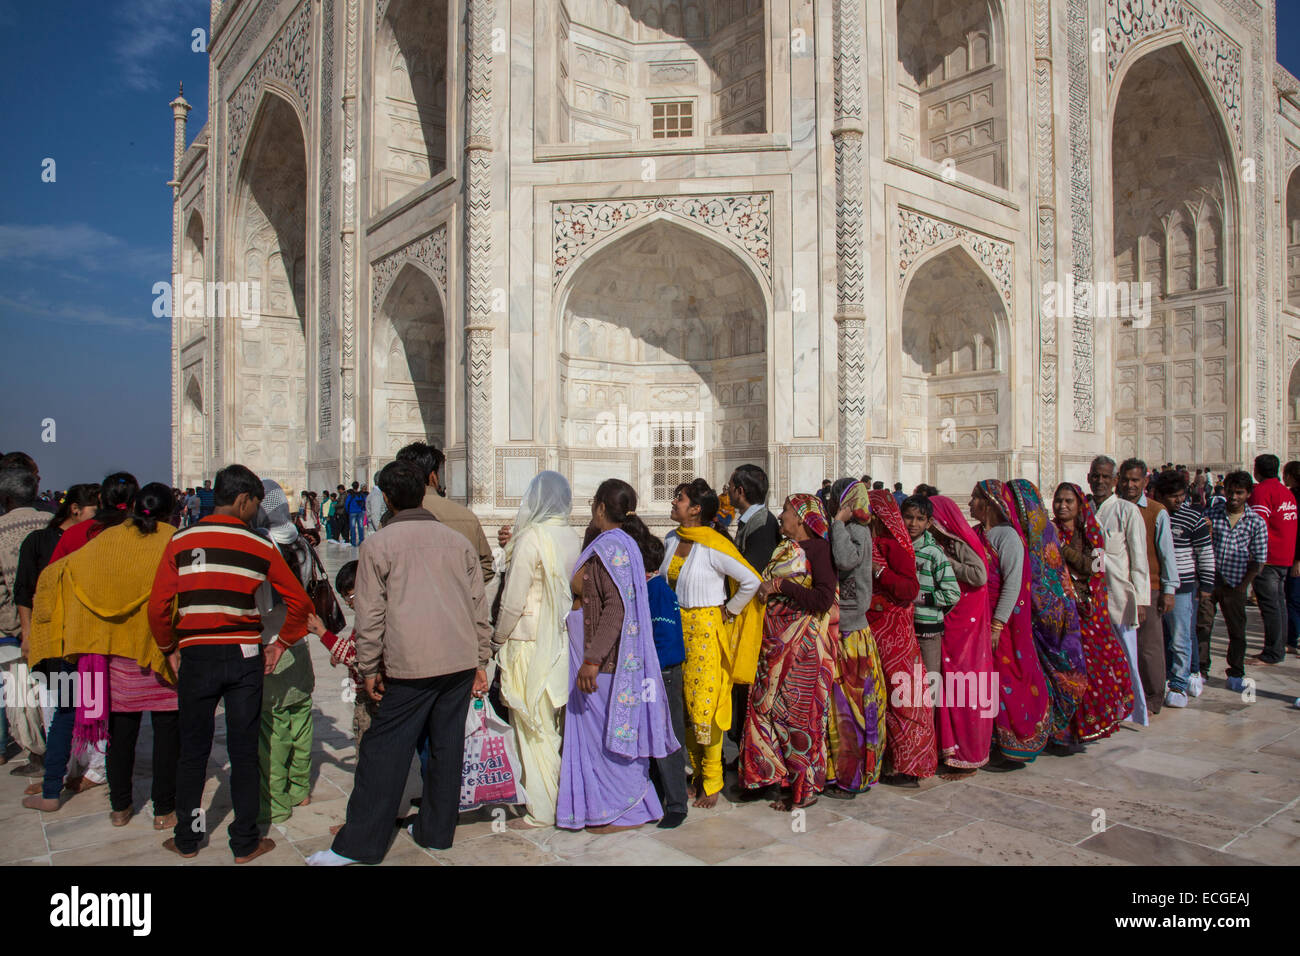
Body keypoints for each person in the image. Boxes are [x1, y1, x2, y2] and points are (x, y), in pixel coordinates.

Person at [310, 461, 490, 864]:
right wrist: (481, 658)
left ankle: (358, 847)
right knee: (446, 747)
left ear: (387, 499)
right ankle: (436, 833)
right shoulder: (455, 542)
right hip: (458, 661)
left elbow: (370, 616)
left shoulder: (379, 544)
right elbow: (478, 607)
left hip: (411, 664)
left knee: (383, 750)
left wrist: (369, 667)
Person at [149, 464, 313, 863]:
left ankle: (188, 839)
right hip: (245, 655)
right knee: (243, 752)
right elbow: (300, 603)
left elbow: (157, 606)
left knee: (193, 751)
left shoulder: (181, 540)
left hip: (198, 656)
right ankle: (245, 842)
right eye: (256, 503)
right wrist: (280, 645)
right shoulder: (259, 546)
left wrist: (169, 647)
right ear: (243, 500)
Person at [26, 483, 181, 827]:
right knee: (167, 735)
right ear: (170, 512)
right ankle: (163, 811)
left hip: (116, 653)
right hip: (161, 651)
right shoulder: (174, 539)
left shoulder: (105, 541)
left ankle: (120, 808)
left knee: (122, 735)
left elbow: (56, 574)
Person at [558, 479, 678, 831]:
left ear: (599, 508)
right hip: (602, 659)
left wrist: (592, 659)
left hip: (605, 663)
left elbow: (615, 609)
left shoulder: (613, 548)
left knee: (608, 738)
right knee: (602, 737)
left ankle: (624, 811)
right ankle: (610, 808)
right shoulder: (619, 544)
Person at [659, 478, 762, 807]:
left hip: (705, 631)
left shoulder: (713, 544)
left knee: (707, 706)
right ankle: (692, 773)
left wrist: (730, 612)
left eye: (680, 498)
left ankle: (713, 778)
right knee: (682, 705)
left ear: (696, 509)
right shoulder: (671, 540)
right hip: (677, 629)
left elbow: (750, 580)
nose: (674, 502)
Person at [491, 471, 581, 828]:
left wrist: (497, 638)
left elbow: (513, 600)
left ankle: (543, 806)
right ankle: (560, 798)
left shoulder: (532, 537)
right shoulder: (571, 535)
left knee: (531, 724)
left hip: (528, 642)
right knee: (551, 723)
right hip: (561, 640)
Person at [741, 494, 837, 810]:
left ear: (801, 519)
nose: (780, 516)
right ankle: (775, 779)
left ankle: (805, 789)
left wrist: (782, 587)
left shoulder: (819, 550)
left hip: (803, 650)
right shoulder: (785, 548)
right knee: (767, 710)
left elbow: (823, 599)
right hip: (775, 648)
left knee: (796, 718)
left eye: (786, 511)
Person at [970, 480, 1050, 764]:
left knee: (1006, 676)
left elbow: (1012, 583)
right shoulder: (977, 533)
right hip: (978, 617)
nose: (970, 505)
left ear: (989, 503)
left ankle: (1013, 738)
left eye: (974, 500)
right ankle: (986, 738)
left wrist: (997, 624)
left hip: (1000, 623)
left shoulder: (1008, 538)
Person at [252, 479, 317, 825]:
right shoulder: (301, 541)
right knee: (302, 719)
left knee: (273, 728)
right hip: (300, 642)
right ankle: (300, 789)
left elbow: (260, 604)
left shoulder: (261, 546)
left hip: (270, 645)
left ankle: (276, 803)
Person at [1051, 483, 1134, 745]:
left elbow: (1095, 569)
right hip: (1060, 613)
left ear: (1079, 505)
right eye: (1058, 501)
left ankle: (1090, 722)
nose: (1062, 506)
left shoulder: (1092, 533)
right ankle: (1065, 728)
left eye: (1068, 501)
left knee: (1092, 668)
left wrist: (1063, 550)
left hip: (1088, 613)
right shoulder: (1049, 530)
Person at [867, 488, 937, 784]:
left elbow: (909, 590)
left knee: (903, 696)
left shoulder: (892, 545)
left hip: (894, 630)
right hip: (876, 628)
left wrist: (880, 573)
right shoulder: (870, 541)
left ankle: (909, 764)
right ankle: (888, 761)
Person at [823, 478, 887, 796]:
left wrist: (837, 522)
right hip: (846, 629)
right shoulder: (854, 531)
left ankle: (855, 774)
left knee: (852, 708)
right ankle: (843, 771)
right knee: (845, 707)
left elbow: (845, 560)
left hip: (851, 634)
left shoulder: (856, 531)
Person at [928, 495, 995, 777]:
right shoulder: (938, 543)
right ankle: (951, 751)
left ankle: (969, 757)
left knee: (966, 690)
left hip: (964, 627)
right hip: (950, 621)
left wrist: (945, 564)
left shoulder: (957, 543)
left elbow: (979, 576)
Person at [1088, 455, 1152, 724]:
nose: (1100, 481)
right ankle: (1103, 708)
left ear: (1115, 481)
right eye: (1096, 476)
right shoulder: (1085, 508)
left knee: (1126, 657)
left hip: (1119, 597)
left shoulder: (1127, 511)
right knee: (1098, 658)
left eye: (1105, 477)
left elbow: (1139, 559)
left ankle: (1134, 712)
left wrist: (1141, 599)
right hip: (1091, 596)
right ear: (1089, 478)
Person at [0, 464, 55, 773]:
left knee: (22, 694)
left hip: (16, 631)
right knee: (52, 690)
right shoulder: (51, 523)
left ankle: (39, 753)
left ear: (6, 498)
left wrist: (15, 626)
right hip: (55, 625)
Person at [726, 464, 780, 753]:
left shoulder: (763, 523)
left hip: (754, 619)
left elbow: (751, 573)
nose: (727, 492)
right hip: (748, 616)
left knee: (748, 690)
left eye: (730, 487)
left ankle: (754, 758)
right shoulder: (752, 520)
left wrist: (730, 609)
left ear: (741, 491)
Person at [1118, 458, 1176, 719]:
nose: (1130, 485)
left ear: (1145, 482)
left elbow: (1166, 554)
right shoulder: (1113, 508)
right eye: (1126, 479)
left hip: (1149, 587)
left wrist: (1168, 590)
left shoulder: (1155, 511)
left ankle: (1154, 697)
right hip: (1118, 588)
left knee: (1149, 646)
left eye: (1135, 480)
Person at [1151, 471, 1215, 706]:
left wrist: (1206, 585)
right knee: (1161, 637)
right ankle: (1168, 677)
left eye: (1181, 495)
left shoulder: (1193, 518)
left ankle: (1179, 682)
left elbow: (1205, 554)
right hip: (1157, 585)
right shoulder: (1154, 514)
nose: (1178, 501)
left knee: (1181, 636)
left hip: (1184, 587)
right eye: (1173, 496)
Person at [1202, 472, 1268, 692]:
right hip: (1211, 580)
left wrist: (1243, 587)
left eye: (1239, 492)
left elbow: (1258, 559)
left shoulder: (1256, 522)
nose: (1233, 497)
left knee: (1237, 630)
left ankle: (1236, 672)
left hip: (1236, 582)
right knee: (1203, 626)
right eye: (1230, 491)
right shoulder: (1211, 514)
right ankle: (1201, 670)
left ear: (1248, 494)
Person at [641, 530, 688, 829]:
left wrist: (652, 669)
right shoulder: (655, 588)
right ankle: (659, 794)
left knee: (668, 736)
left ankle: (677, 804)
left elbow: (665, 638)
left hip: (664, 675)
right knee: (655, 734)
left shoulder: (657, 591)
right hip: (658, 674)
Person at [396, 442, 495, 583]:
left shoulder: (393, 517)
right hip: (458, 602)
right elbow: (486, 566)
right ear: (433, 477)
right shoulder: (466, 516)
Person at [305, 561, 375, 741]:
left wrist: (321, 632)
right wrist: (338, 650)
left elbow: (354, 655)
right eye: (345, 599)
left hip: (370, 696)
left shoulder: (370, 619)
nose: (348, 604)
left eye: (351, 598)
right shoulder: (369, 615)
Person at [900, 495, 960, 679]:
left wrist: (922, 598)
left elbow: (953, 593)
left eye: (920, 519)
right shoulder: (898, 548)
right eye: (909, 517)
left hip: (927, 631)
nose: (913, 523)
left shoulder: (934, 554)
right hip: (903, 629)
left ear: (929, 522)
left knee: (927, 682)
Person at [1246, 453, 1297, 666]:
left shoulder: (1263, 492)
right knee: (1279, 604)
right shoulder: (1286, 493)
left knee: (1270, 606)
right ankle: (1280, 646)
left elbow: (1257, 527)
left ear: (1257, 471)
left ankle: (1272, 653)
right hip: (1285, 556)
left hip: (1267, 558)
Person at [1283, 460, 1300, 658]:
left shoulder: (1293, 498)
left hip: (1295, 559)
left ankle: (1292, 640)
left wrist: (1297, 560)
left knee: (1294, 599)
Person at [346, 480, 366, 546]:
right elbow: (365, 502)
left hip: (352, 512)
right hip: (360, 512)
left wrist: (347, 511)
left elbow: (347, 504)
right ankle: (361, 540)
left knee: (352, 527)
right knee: (360, 526)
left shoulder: (350, 495)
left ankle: (353, 542)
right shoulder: (361, 494)